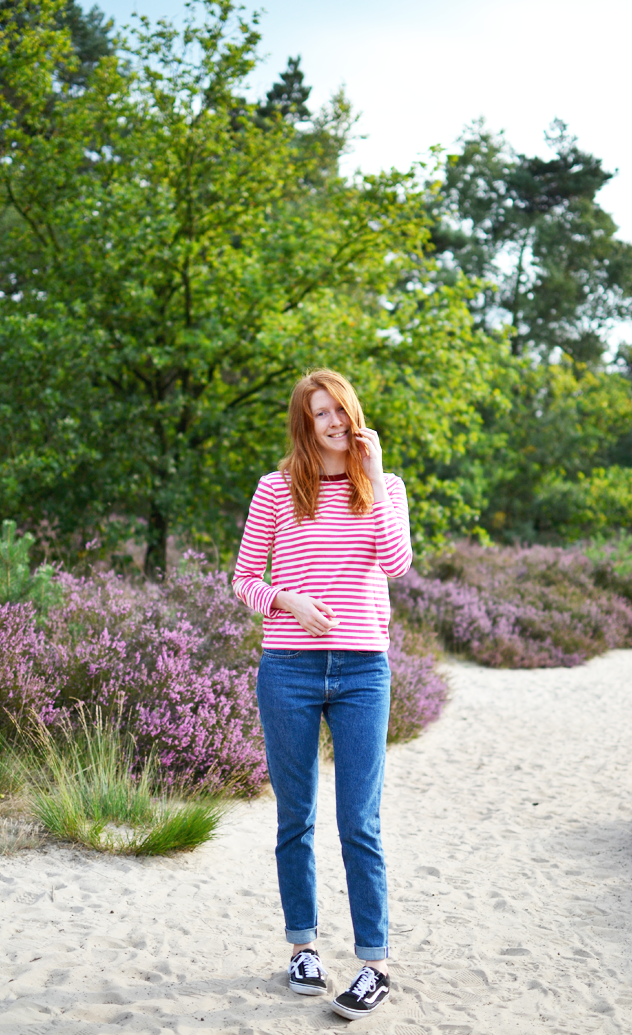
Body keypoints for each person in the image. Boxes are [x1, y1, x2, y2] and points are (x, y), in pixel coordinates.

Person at [232, 368, 412, 1020]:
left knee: (359, 821)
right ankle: (303, 947)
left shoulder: (384, 487)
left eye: (339, 408)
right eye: (319, 413)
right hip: (289, 668)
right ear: (304, 423)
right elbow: (245, 577)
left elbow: (395, 563)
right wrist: (286, 598)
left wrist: (378, 466)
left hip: (364, 669)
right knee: (295, 816)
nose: (333, 421)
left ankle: (374, 964)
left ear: (352, 411)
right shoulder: (276, 489)